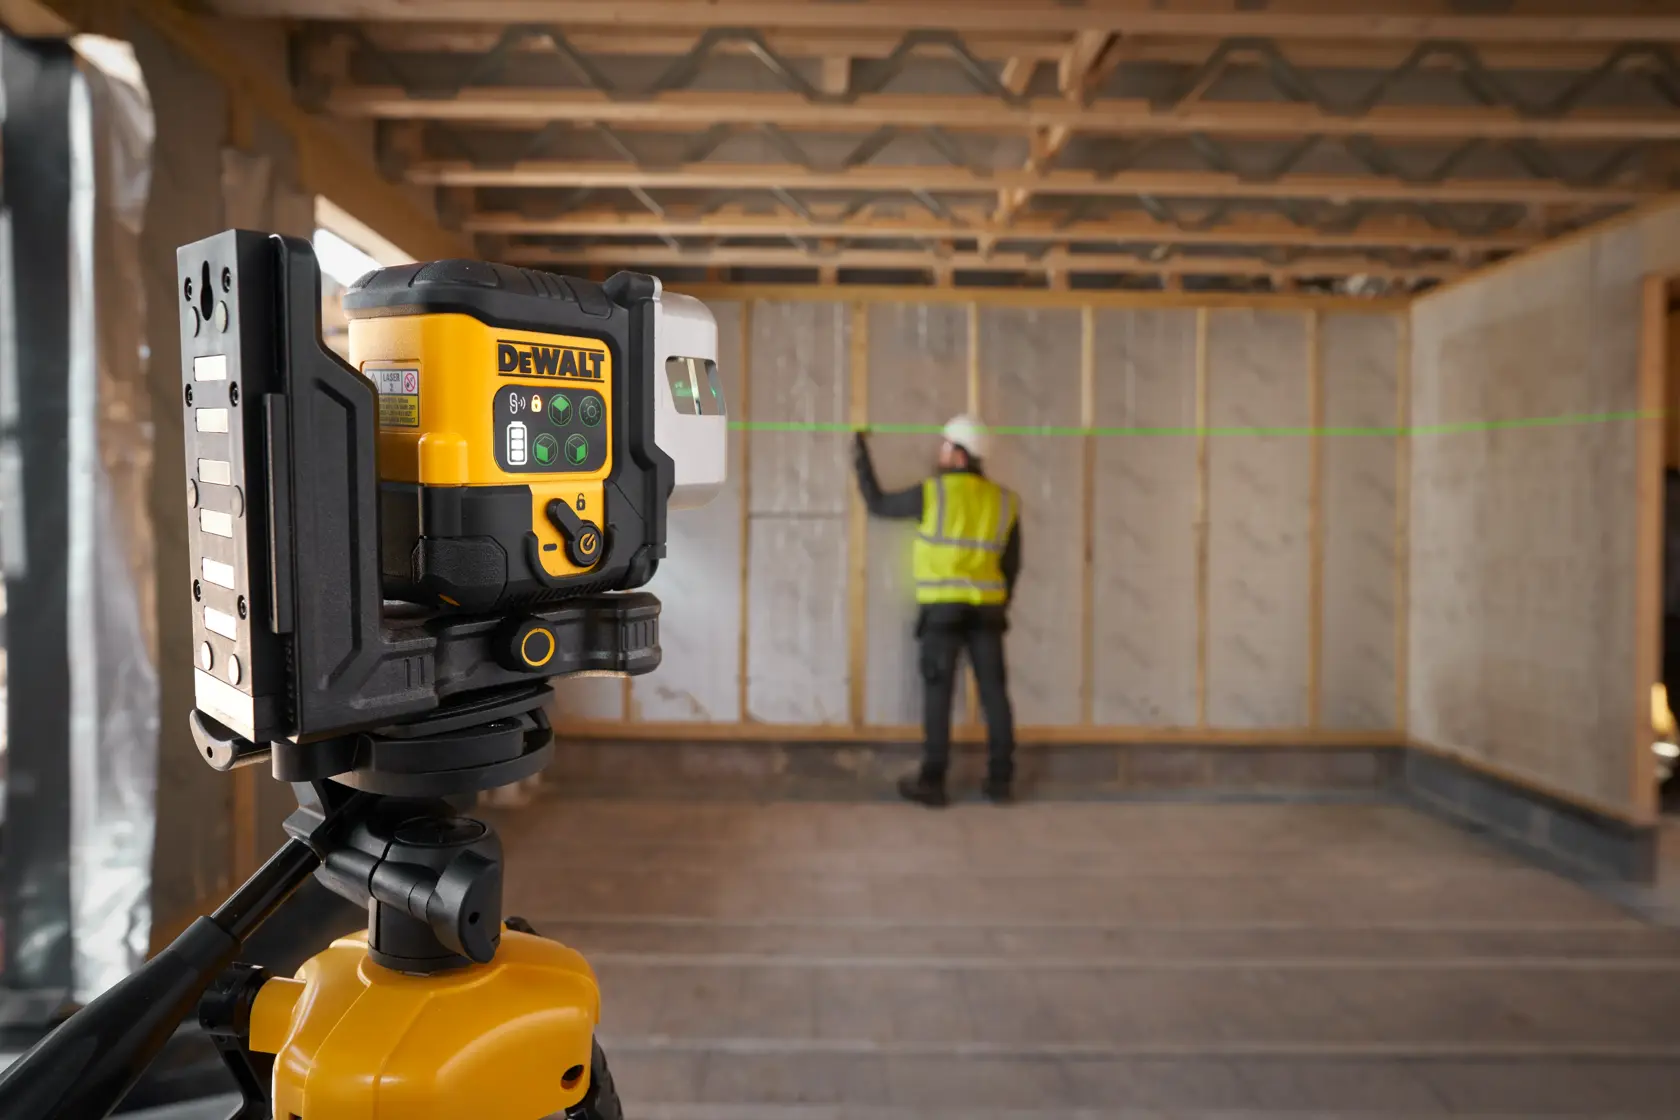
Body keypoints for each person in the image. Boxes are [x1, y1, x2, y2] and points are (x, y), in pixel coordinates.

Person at [853, 415, 1020, 807]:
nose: (940, 452)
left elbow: (877, 503)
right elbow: (1012, 564)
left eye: (946, 446)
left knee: (938, 694)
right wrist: (998, 602)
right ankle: (1000, 782)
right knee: (995, 695)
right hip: (988, 613)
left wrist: (860, 457)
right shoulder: (1004, 501)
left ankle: (933, 782)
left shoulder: (934, 493)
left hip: (942, 613)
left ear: (961, 456)